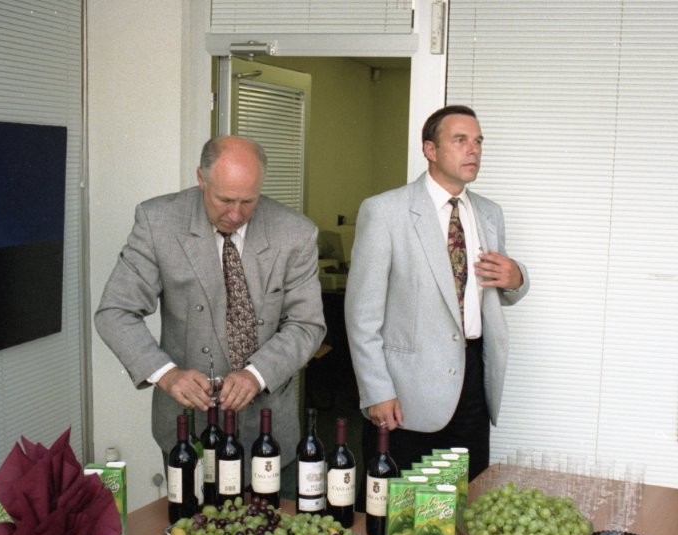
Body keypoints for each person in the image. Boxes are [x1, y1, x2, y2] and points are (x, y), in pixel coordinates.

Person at [95, 135, 326, 490]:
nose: (236, 214)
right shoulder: (158, 222)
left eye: (248, 201)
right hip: (188, 429)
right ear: (201, 178)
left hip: (269, 428)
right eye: (225, 200)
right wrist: (167, 374)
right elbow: (115, 311)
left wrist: (256, 375)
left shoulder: (295, 233)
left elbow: (306, 325)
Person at [345, 105, 529, 479]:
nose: (473, 150)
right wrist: (376, 390)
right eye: (460, 140)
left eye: (478, 141)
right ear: (430, 149)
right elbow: (361, 315)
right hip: (406, 391)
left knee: (466, 498)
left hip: (473, 381)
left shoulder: (489, 214)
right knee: (404, 504)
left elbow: (498, 291)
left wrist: (516, 278)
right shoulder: (385, 211)